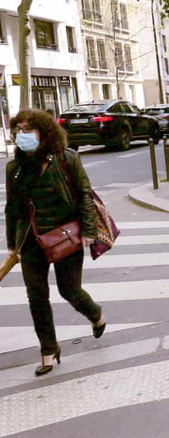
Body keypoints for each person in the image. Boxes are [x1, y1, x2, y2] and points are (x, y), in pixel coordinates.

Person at [5, 109, 106, 377]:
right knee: (36, 296)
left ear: (45, 132)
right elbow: (11, 209)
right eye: (18, 130)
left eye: (28, 129)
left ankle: (96, 315)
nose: (21, 135)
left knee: (69, 290)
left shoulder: (66, 159)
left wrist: (88, 230)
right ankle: (48, 350)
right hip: (30, 240)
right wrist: (11, 244)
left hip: (65, 235)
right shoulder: (14, 168)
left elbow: (84, 194)